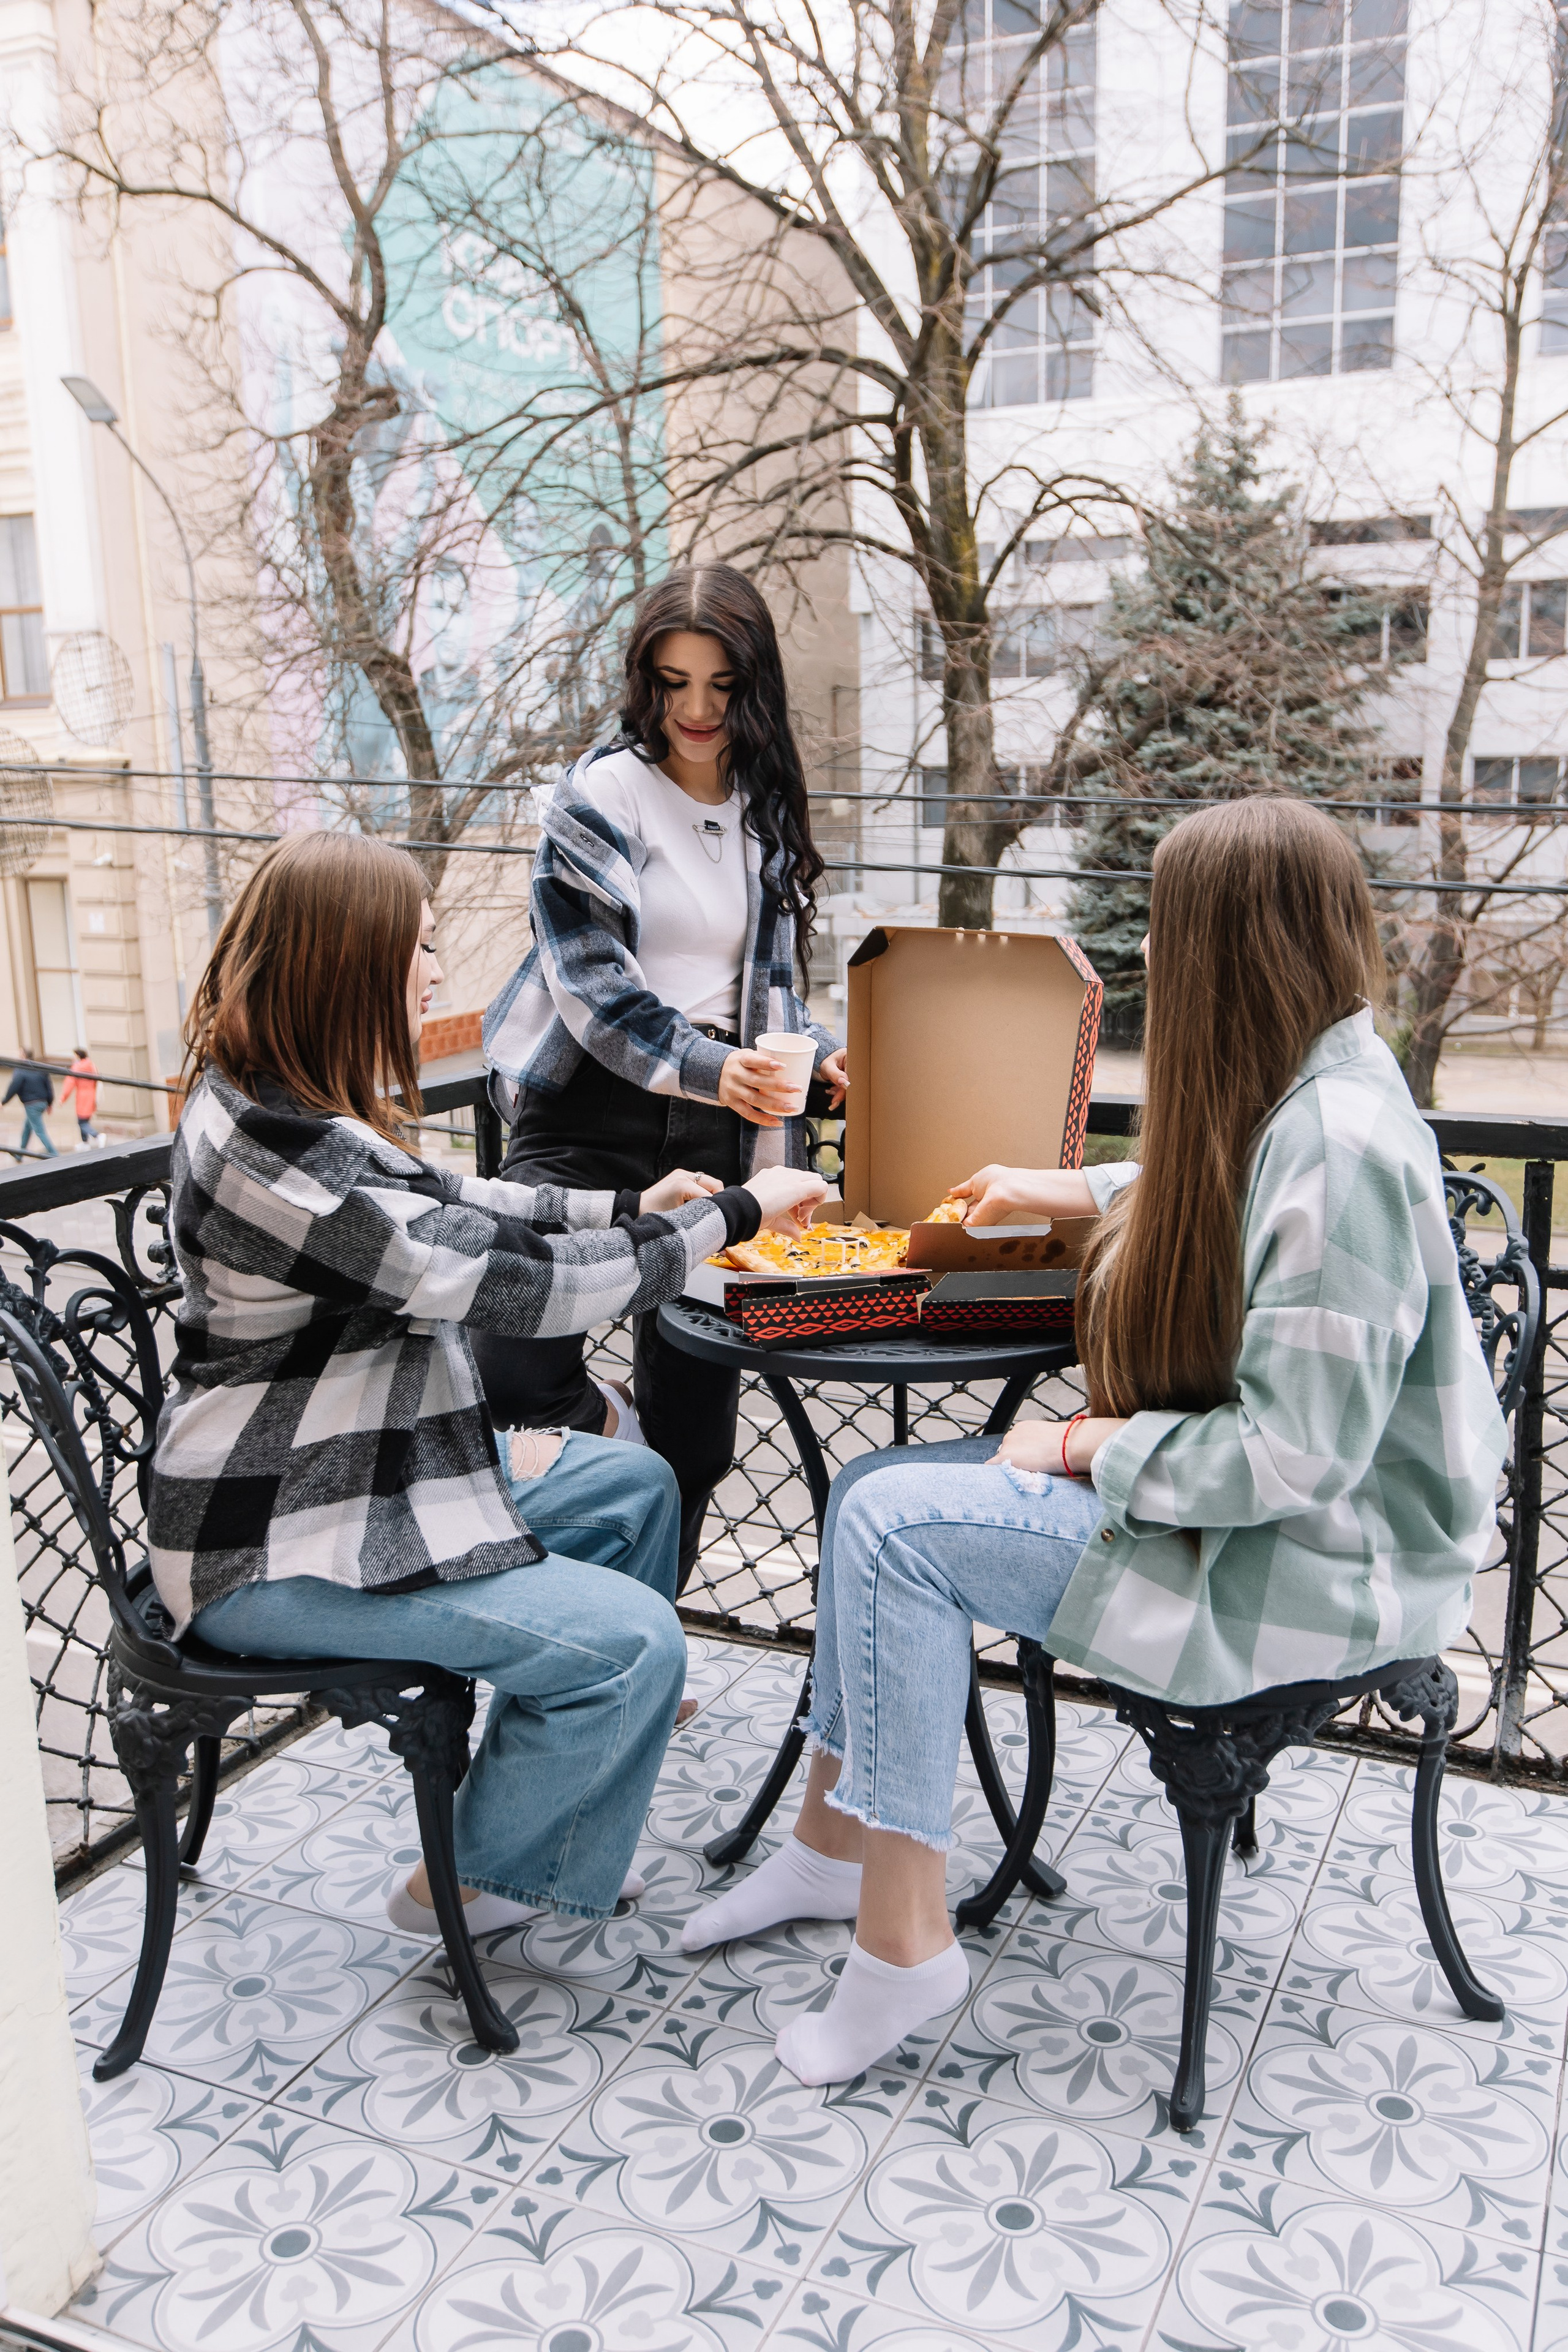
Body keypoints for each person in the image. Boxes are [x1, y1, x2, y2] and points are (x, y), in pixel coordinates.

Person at [681, 796, 1509, 2084]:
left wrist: (1082, 1448)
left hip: (1299, 1568)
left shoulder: (1338, 1145)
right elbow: (1237, 1182)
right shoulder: (1325, 1084)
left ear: (1225, 949)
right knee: (868, 1498)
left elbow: (1291, 1459)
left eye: (1170, 937)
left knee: (897, 1526)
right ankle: (827, 1847)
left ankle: (900, 1944)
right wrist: (1065, 1185)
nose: (1151, 971)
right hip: (1286, 1534)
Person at [151, 831, 824, 1933]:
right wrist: (727, 1219)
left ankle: (545, 1808)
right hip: (270, 1538)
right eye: (418, 949)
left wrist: (633, 1207)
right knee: (635, 1645)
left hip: (359, 1470)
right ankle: (460, 1883)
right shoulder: (274, 1156)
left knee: (633, 1486)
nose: (432, 972)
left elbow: (461, 1200)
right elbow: (508, 1289)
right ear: (347, 963)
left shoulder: (288, 1105)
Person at [479, 564, 846, 1593]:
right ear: (643, 679)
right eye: (672, 681)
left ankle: (639, 1643)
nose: (694, 709)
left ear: (753, 688)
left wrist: (815, 1061)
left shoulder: (761, 807)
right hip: (589, 1109)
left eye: (721, 686)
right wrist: (716, 1069)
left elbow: (751, 993)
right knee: (513, 1370)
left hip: (720, 1129)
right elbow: (596, 991)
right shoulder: (598, 797)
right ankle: (609, 1442)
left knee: (698, 1438)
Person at [4, 1053, 56, 1157]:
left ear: (23, 1056)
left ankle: (54, 1154)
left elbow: (14, 1087)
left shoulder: (21, 1070)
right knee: (27, 1128)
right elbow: (49, 1087)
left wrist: (4, 1102)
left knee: (39, 1131)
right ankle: (20, 1154)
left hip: (32, 1104)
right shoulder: (40, 1068)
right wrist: (50, 1103)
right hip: (43, 1103)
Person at [61, 1047, 98, 1146]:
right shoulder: (91, 1065)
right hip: (91, 1095)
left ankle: (97, 1136)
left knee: (82, 1122)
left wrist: (63, 1099)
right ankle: (85, 1142)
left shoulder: (76, 1068)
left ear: (77, 1056)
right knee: (85, 1120)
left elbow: (69, 1085)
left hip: (82, 1097)